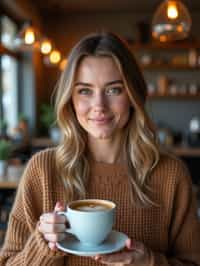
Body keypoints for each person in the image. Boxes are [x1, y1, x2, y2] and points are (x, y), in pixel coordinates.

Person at [0, 32, 200, 266]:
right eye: (85, 90)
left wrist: (150, 262)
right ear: (71, 99)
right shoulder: (42, 171)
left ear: (134, 95)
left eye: (114, 89)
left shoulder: (171, 175)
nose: (99, 106)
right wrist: (42, 246)